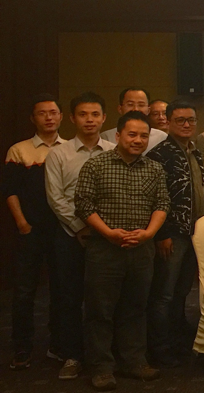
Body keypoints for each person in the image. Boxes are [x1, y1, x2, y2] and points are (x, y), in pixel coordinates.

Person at [75, 111, 170, 390]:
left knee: (136, 308)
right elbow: (83, 204)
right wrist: (108, 233)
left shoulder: (154, 168)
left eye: (143, 135)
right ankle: (102, 367)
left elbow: (162, 204)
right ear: (117, 135)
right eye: (132, 134)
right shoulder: (97, 165)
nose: (138, 140)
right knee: (100, 310)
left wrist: (149, 234)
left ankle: (134, 362)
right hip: (104, 249)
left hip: (141, 249)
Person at [45, 92, 117, 379]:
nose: (90, 120)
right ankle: (72, 355)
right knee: (69, 296)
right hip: (68, 235)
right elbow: (55, 198)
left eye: (95, 114)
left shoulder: (114, 150)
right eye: (84, 115)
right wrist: (80, 227)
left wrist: (101, 229)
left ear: (104, 118)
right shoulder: (58, 154)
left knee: (106, 298)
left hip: (107, 235)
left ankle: (107, 355)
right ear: (72, 118)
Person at [144, 100, 204, 369]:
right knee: (164, 293)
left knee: (183, 291)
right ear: (168, 122)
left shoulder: (196, 152)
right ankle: (159, 348)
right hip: (171, 235)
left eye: (191, 120)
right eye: (180, 120)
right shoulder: (160, 154)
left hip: (195, 234)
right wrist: (161, 234)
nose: (186, 125)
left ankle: (178, 340)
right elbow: (154, 199)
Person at [4, 94, 66, 374]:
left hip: (63, 230)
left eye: (53, 112)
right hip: (30, 230)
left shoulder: (69, 149)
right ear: (33, 118)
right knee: (25, 292)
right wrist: (22, 224)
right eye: (42, 113)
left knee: (63, 289)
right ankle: (22, 346)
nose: (48, 117)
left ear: (62, 116)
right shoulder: (19, 150)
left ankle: (59, 344)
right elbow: (11, 191)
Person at [99, 87, 168, 153]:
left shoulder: (161, 137)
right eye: (130, 104)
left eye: (141, 105)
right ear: (120, 109)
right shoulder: (106, 136)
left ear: (148, 110)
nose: (135, 109)